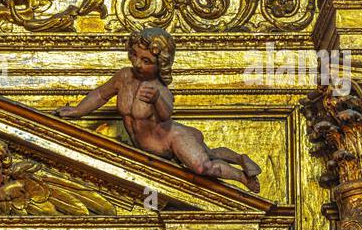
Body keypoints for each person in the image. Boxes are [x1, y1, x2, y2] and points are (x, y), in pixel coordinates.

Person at [57, 27, 261, 192]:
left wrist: (156, 100)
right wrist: (77, 110)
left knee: (203, 166)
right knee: (207, 154)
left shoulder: (159, 89)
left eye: (146, 61)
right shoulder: (124, 77)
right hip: (154, 146)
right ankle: (238, 158)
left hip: (171, 140)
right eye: (134, 55)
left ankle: (241, 176)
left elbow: (165, 115)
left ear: (160, 64)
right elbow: (101, 94)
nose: (137, 63)